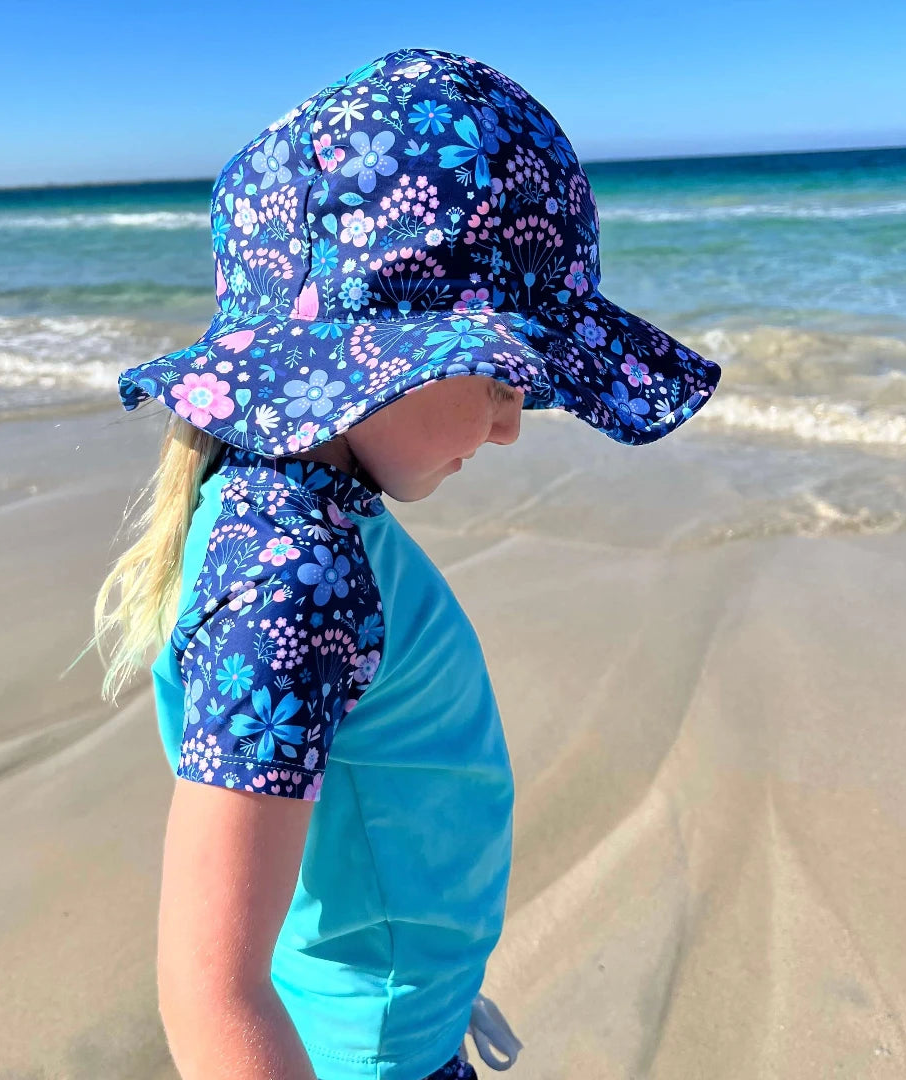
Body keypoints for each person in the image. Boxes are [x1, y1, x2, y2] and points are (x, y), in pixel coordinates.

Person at [89, 46, 721, 1080]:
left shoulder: (303, 524)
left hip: (395, 1023)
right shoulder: (291, 579)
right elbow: (211, 992)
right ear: (370, 356)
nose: (514, 425)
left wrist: (428, 989)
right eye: (502, 377)